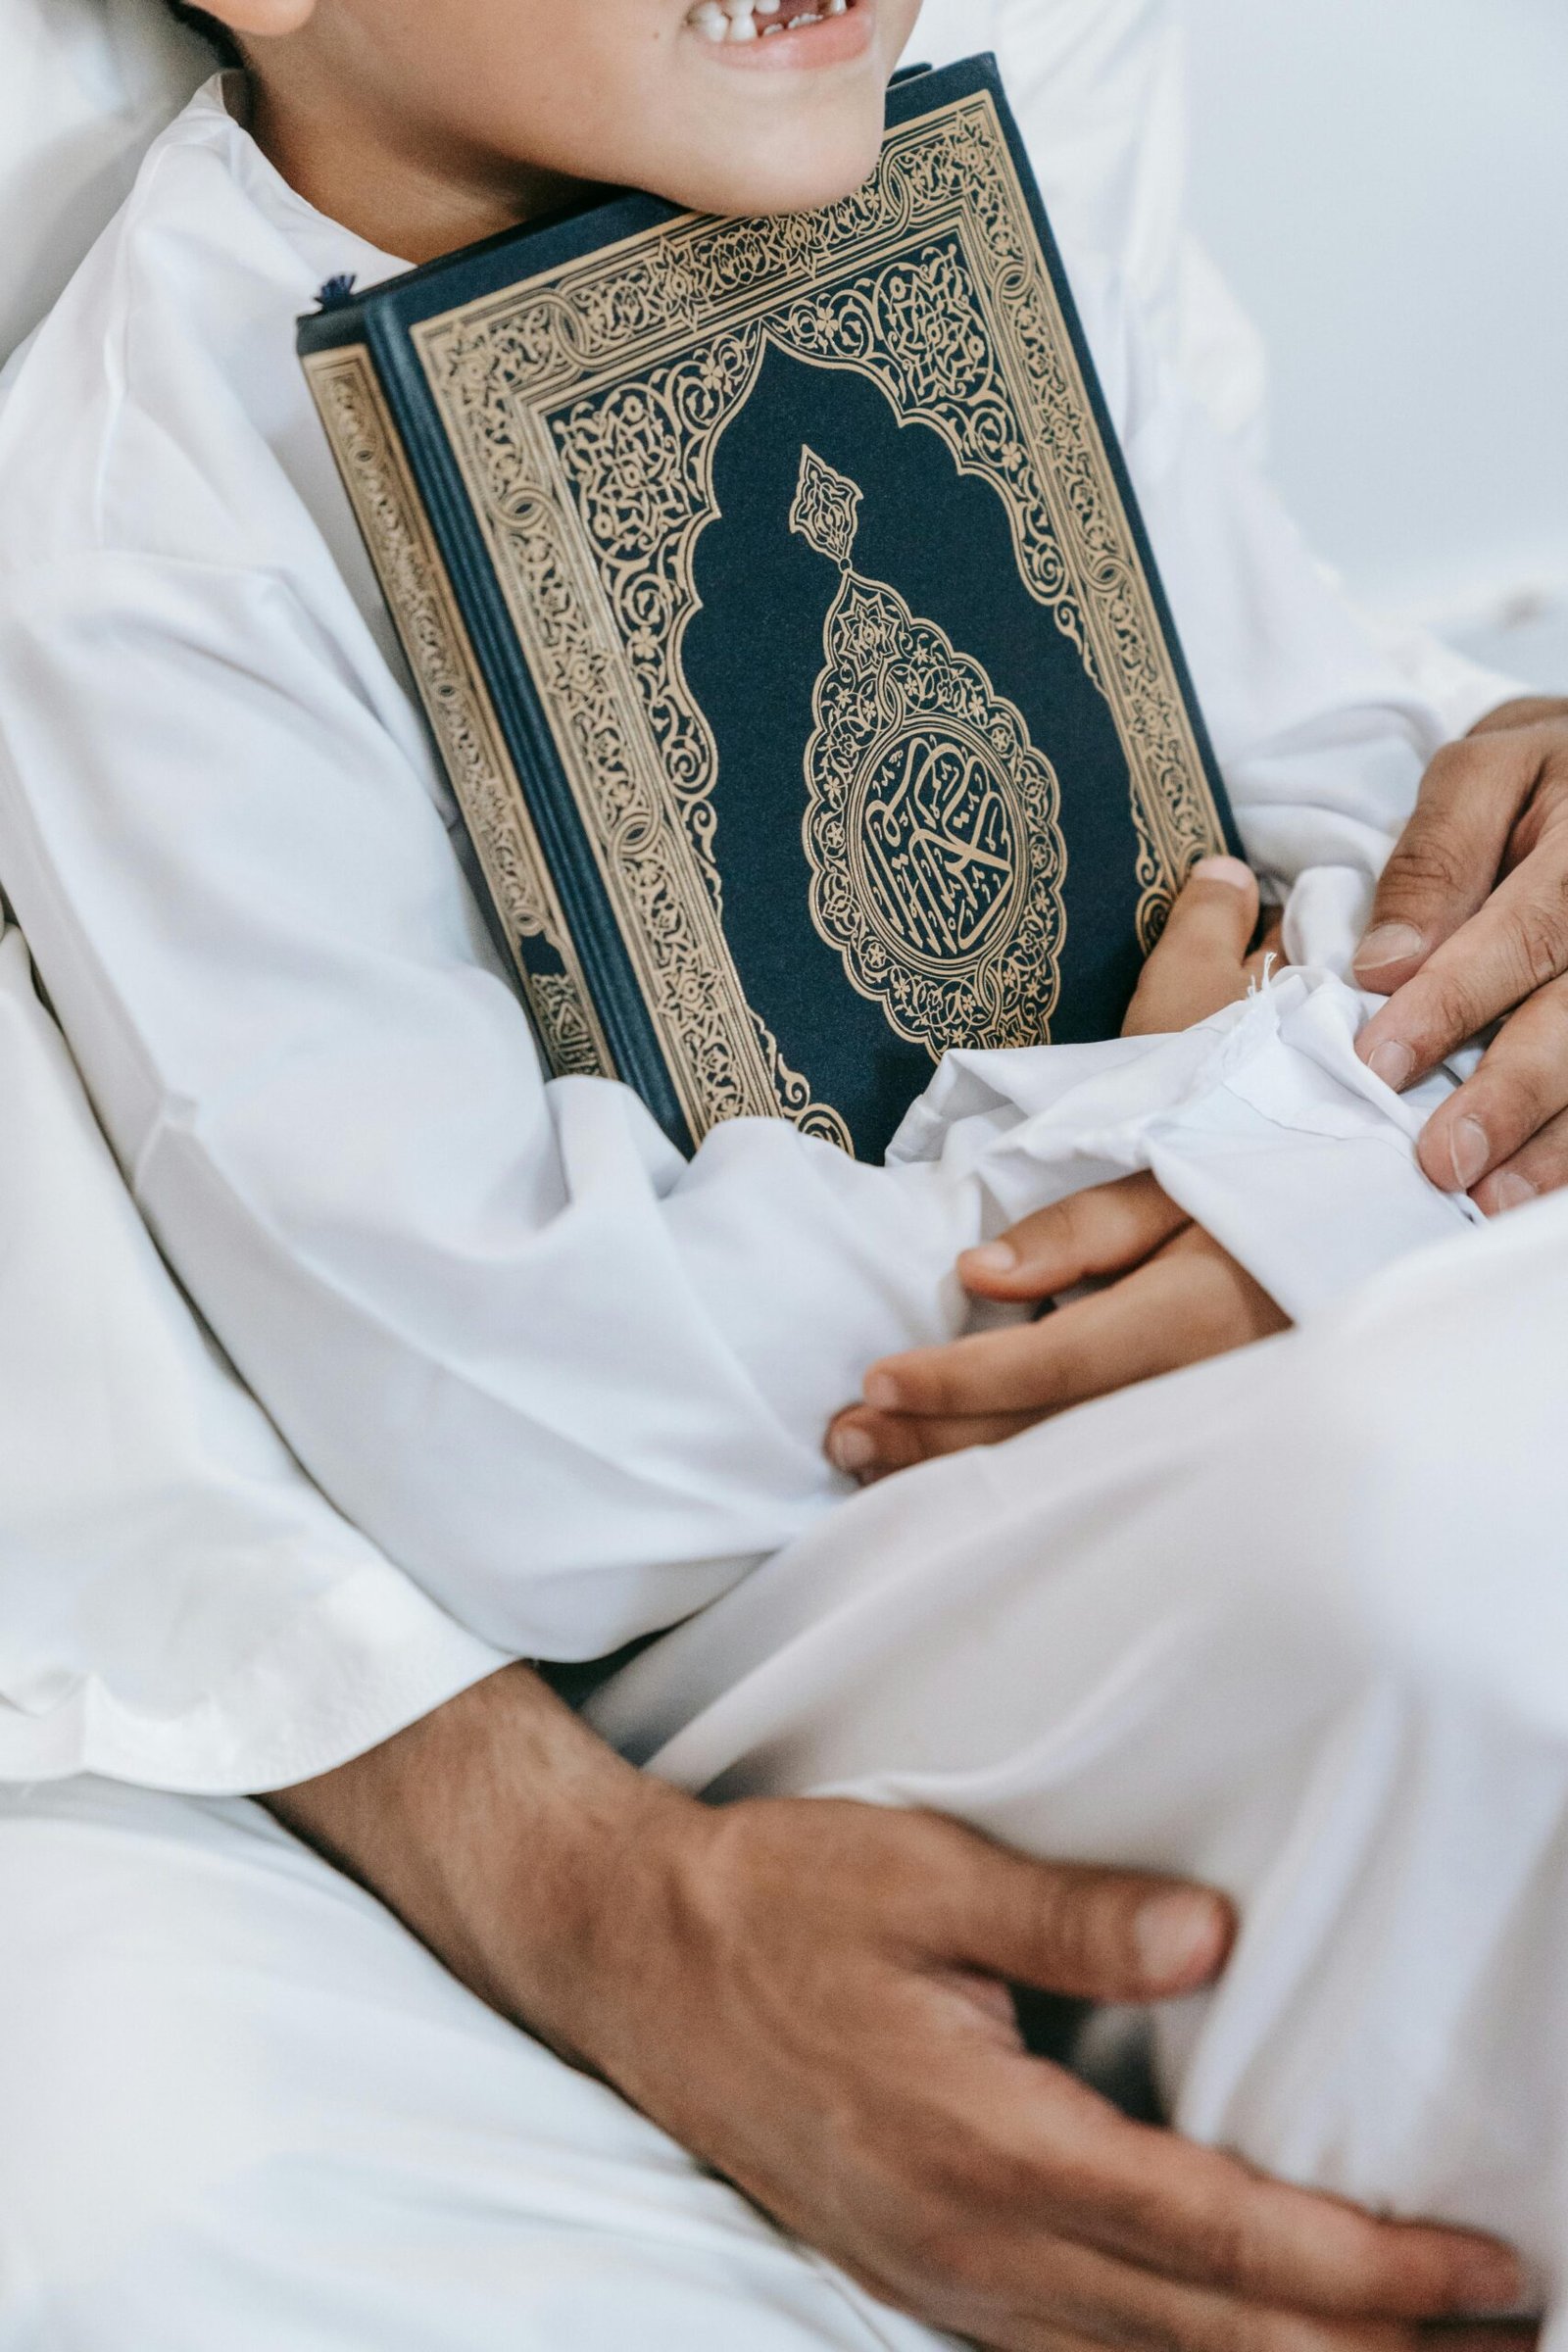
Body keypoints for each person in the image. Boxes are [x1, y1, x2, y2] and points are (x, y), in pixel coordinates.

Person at [1, 1, 1568, 2344]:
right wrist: (1167, 1174)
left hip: (1264, 1289)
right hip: (788, 1572)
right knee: (1448, 1563)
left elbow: (1338, 757)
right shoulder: (139, 527)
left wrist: (1292, 1149)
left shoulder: (949, 164)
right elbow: (520, 1422)